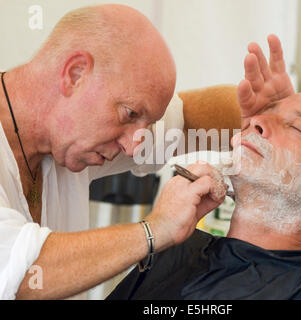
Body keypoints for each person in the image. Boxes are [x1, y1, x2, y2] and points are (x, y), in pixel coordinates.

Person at [0, 4, 250, 299]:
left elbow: (190, 120)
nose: (133, 146)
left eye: (148, 124)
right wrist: (155, 229)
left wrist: (268, 116)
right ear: (75, 74)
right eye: (130, 114)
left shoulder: (71, 137)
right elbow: (23, 274)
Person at [106, 42, 301, 300]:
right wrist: (155, 231)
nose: (255, 121)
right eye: (266, 114)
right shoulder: (177, 248)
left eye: (295, 127)